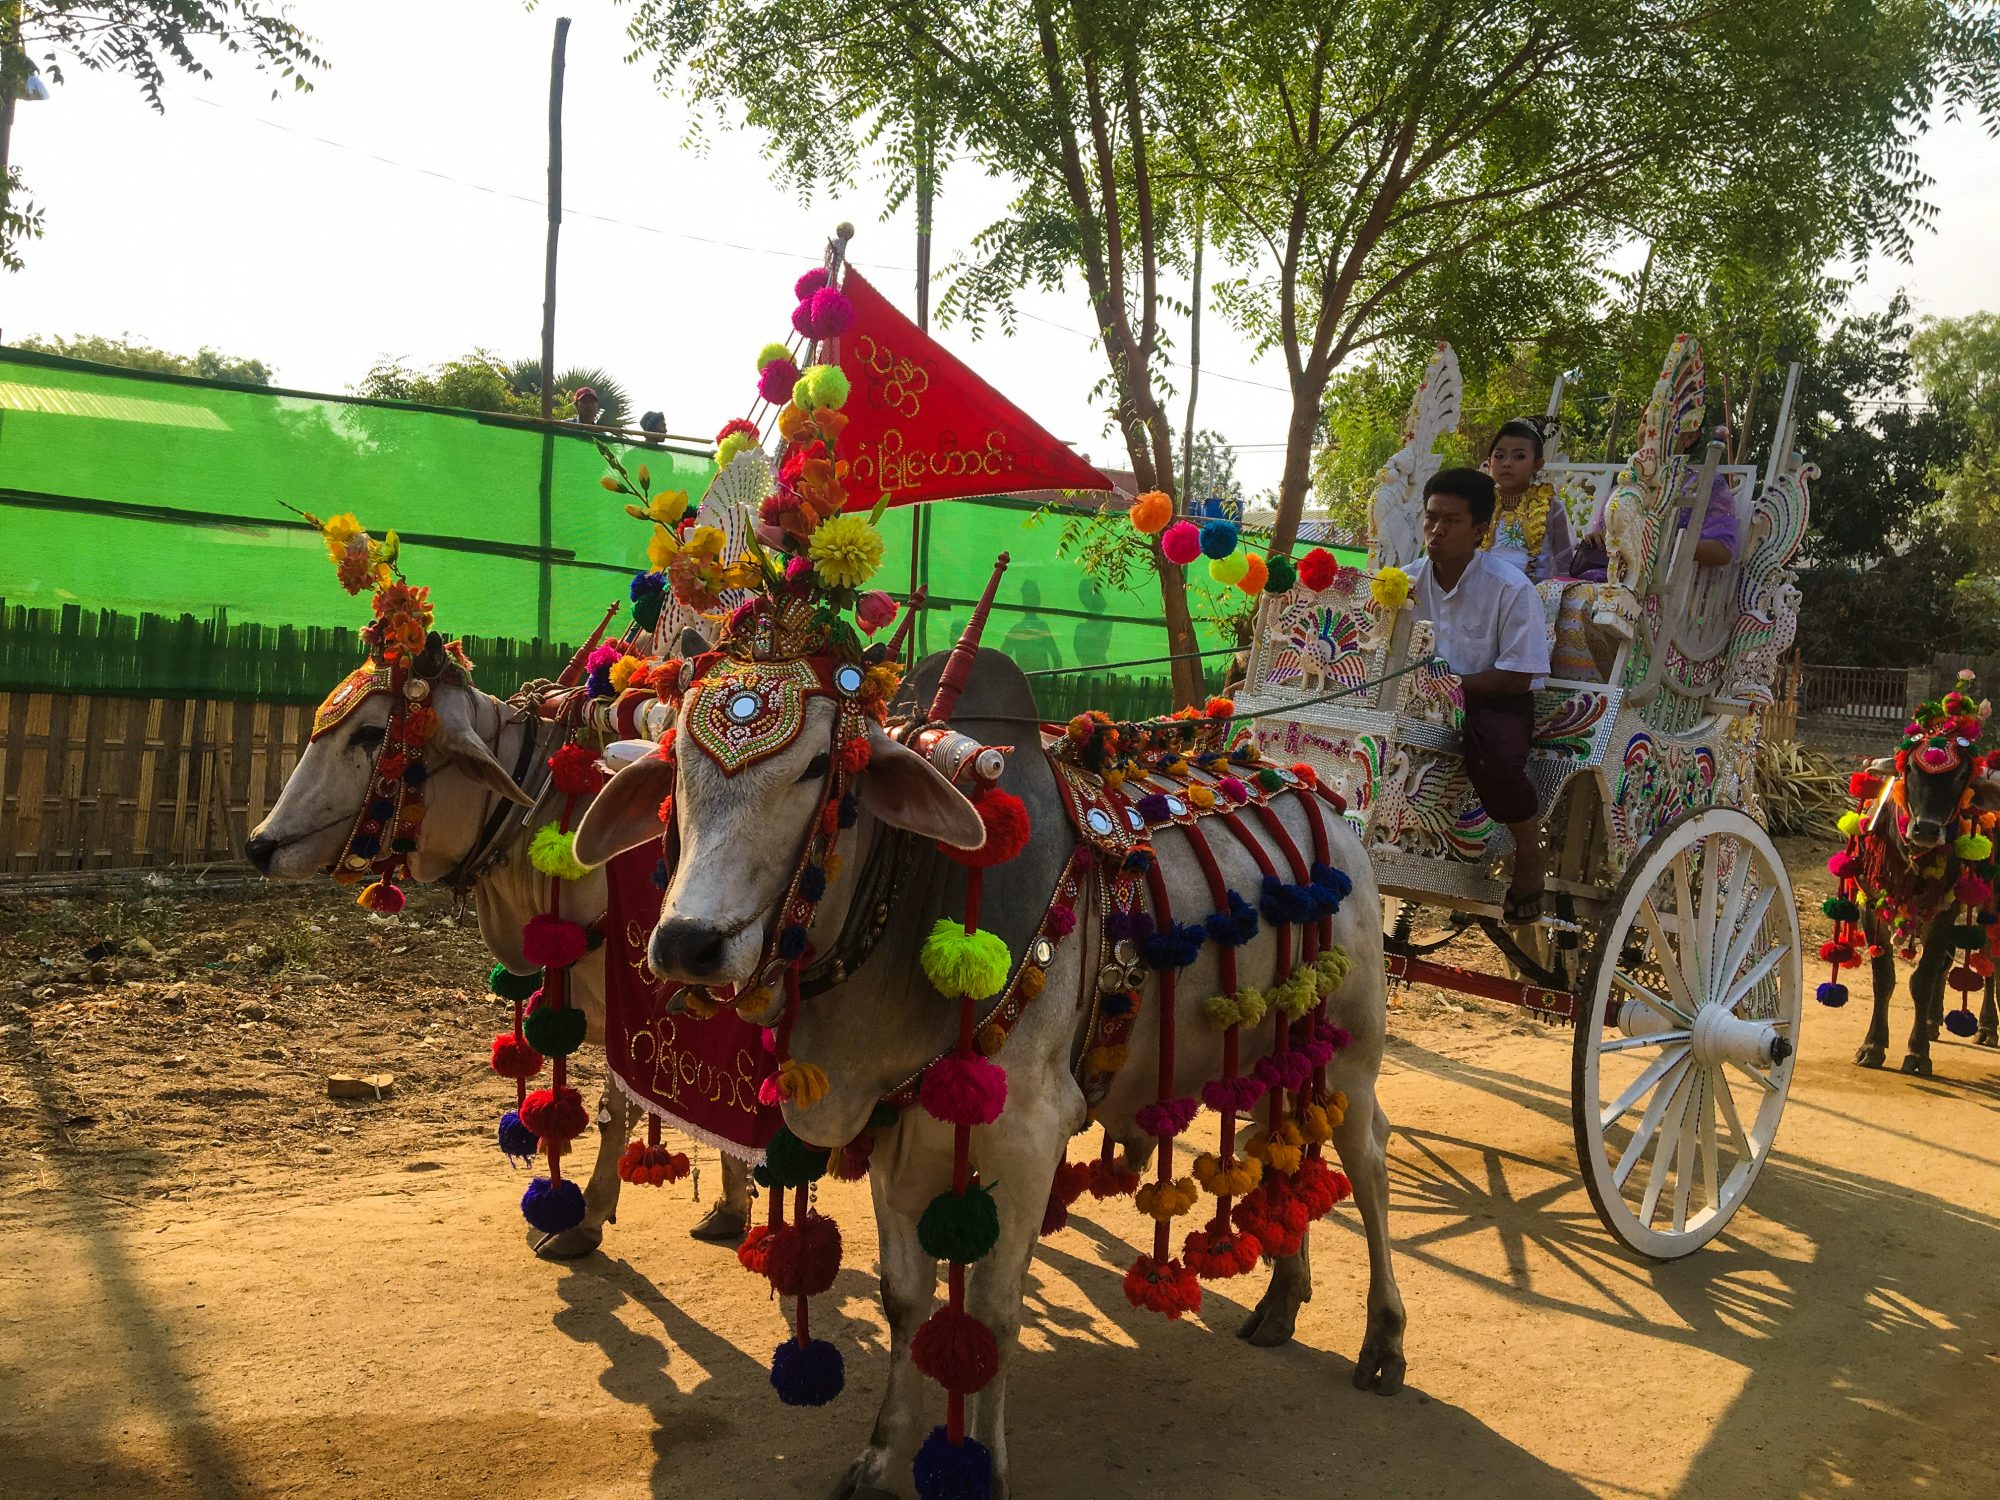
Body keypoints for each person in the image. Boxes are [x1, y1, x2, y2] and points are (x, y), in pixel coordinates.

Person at [1408, 467, 1551, 922]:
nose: (1436, 530)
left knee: (1497, 760)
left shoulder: (1510, 587)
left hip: (1492, 700)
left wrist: (1449, 686)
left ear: (1479, 530)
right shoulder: (1402, 584)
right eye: (1431, 518)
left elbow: (1518, 676)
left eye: (1451, 520)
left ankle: (1529, 851)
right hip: (1417, 700)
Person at [1569, 423, 1737, 582]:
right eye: (1646, 421)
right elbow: (1600, 538)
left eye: (1667, 421)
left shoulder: (1704, 485)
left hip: (1664, 589)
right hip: (1605, 580)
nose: (1651, 429)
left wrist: (1657, 542)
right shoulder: (1622, 487)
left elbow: (1722, 552)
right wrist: (1599, 538)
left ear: (1690, 437)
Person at [1481, 417, 1571, 581]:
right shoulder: (1479, 502)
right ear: (1489, 462)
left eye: (1519, 457)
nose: (1507, 463)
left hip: (1531, 594)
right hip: (1482, 589)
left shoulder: (1550, 507)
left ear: (1537, 464)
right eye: (1499, 456)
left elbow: (1564, 561)